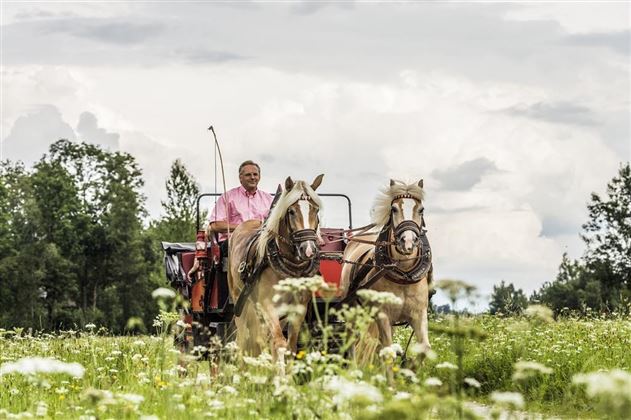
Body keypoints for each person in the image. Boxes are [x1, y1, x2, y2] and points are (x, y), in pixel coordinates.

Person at [206, 160, 273, 243]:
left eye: (255, 174)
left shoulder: (269, 199)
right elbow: (215, 225)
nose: (252, 177)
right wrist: (244, 227)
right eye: (248, 175)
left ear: (259, 177)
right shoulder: (227, 197)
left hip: (263, 241)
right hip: (233, 242)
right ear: (240, 178)